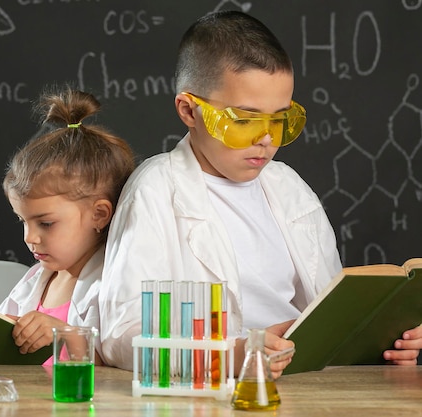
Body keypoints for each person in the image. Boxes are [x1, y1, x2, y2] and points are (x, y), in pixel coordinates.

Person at [98, 10, 422, 377]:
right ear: (189, 110)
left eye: (280, 120)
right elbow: (119, 337)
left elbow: (329, 313)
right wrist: (230, 355)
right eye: (244, 120)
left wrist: (383, 343)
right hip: (215, 395)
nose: (265, 139)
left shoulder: (288, 187)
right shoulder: (154, 191)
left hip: (299, 385)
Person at [0, 86, 135, 366]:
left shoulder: (112, 285)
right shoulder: (35, 280)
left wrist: (63, 334)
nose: (30, 237)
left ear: (99, 215)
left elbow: (118, 360)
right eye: (23, 221)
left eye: (46, 223)